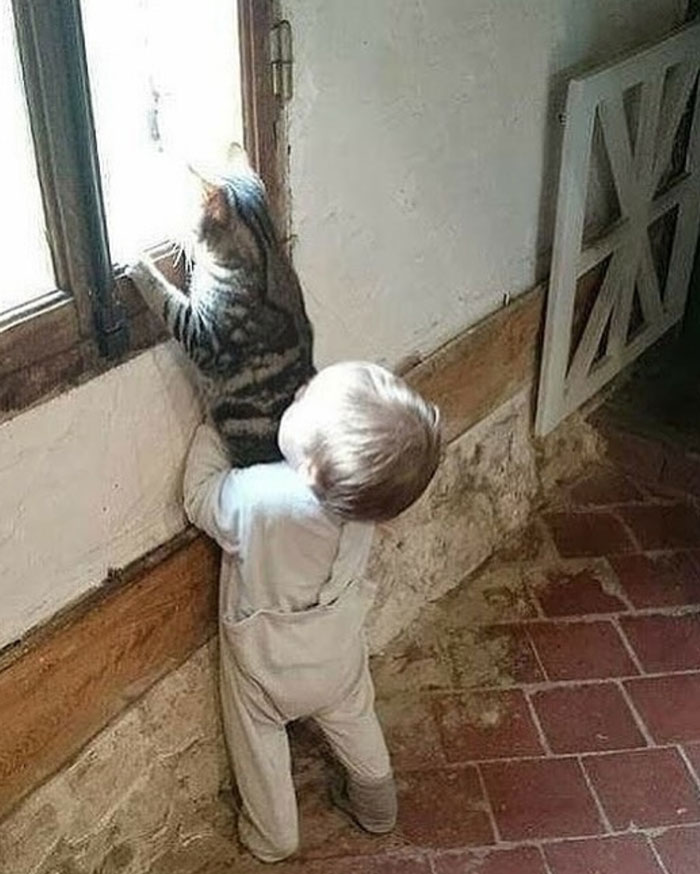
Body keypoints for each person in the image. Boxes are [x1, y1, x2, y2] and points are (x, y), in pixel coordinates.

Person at [183, 361, 441, 862]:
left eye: (303, 400)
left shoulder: (259, 496)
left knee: (258, 746)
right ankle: (377, 804)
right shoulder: (361, 499)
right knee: (353, 714)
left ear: (310, 467)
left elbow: (197, 496)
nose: (297, 391)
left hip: (266, 665)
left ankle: (273, 837)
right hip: (335, 651)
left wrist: (219, 423)